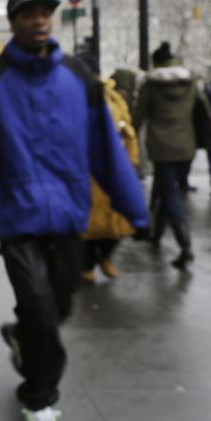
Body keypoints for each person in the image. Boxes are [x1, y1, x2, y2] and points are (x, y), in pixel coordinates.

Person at [0, 0, 147, 421]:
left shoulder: (78, 76)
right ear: (12, 22)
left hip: (67, 217)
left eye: (45, 13)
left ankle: (21, 338)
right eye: (28, 13)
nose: (38, 20)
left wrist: (133, 208)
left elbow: (106, 150)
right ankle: (40, 401)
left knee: (57, 307)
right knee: (39, 307)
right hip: (15, 218)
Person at [133, 41, 210, 271]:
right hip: (187, 148)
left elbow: (137, 117)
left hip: (162, 148)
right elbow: (203, 110)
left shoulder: (151, 86)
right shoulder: (191, 83)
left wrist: (126, 139)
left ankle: (185, 247)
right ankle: (155, 236)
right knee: (165, 190)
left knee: (169, 196)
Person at [80, 59, 141, 283]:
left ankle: (104, 256)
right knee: (89, 223)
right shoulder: (74, 98)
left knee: (118, 220)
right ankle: (87, 264)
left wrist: (132, 160)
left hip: (116, 165)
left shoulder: (113, 97)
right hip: (87, 169)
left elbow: (128, 128)